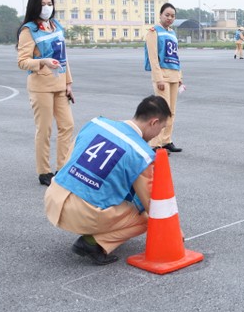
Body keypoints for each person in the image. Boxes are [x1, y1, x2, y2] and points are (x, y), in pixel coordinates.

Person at [44, 95, 172, 265]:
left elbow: (70, 157)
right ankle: (94, 243)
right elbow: (151, 201)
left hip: (53, 197)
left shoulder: (96, 123)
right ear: (154, 122)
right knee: (148, 218)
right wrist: (173, 231)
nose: (159, 134)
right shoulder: (141, 153)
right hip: (80, 213)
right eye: (161, 128)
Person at [16, 0, 75, 186]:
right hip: (40, 86)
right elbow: (23, 61)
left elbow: (64, 57)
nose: (47, 7)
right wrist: (42, 61)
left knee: (67, 126)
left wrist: (68, 83)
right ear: (35, 6)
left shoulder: (56, 25)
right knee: (45, 129)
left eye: (49, 4)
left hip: (59, 85)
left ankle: (62, 167)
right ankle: (44, 172)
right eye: (43, 4)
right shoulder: (28, 30)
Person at [144, 3, 183, 153]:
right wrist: (158, 78)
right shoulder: (154, 32)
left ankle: (167, 140)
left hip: (173, 74)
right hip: (162, 76)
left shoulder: (172, 33)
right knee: (161, 111)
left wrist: (180, 76)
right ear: (160, 15)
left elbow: (176, 56)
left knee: (171, 111)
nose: (170, 18)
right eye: (167, 15)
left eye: (172, 16)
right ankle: (155, 144)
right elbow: (153, 58)